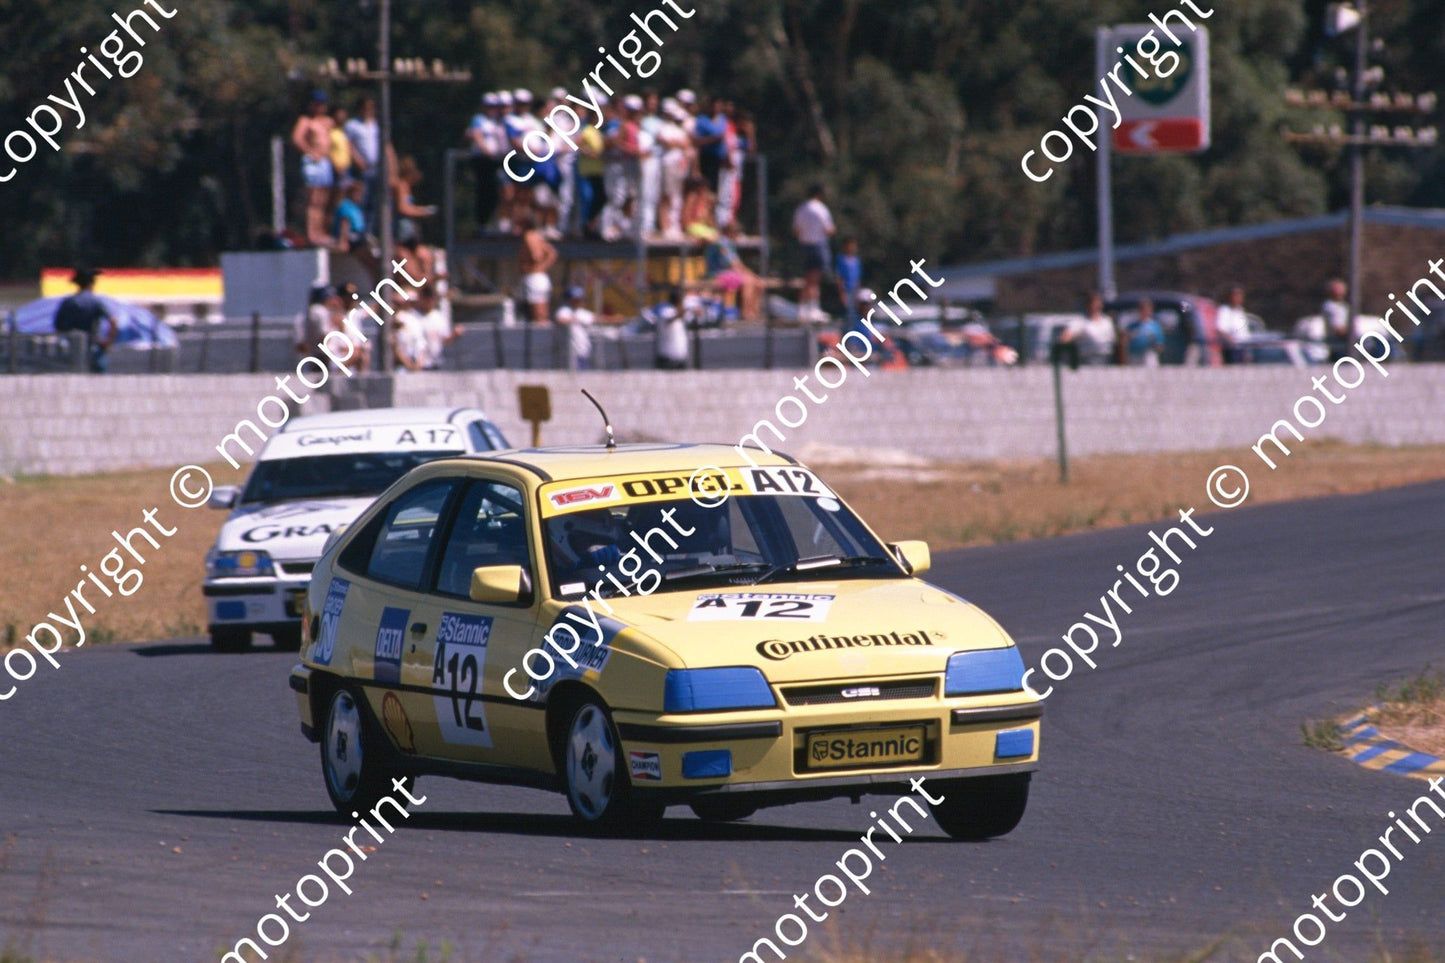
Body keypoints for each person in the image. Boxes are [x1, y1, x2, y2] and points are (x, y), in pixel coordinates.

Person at [291, 91, 335, 247]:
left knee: (323, 199)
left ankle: (320, 231)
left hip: (325, 162)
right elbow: (297, 138)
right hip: (313, 162)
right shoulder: (306, 121)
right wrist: (310, 152)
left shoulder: (327, 122)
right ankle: (311, 233)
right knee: (313, 199)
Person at [53, 267, 117, 373]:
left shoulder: (68, 302)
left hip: (72, 348)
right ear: (90, 284)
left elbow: (58, 325)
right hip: (93, 346)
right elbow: (114, 322)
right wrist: (108, 342)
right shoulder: (96, 301)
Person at [792, 184, 835, 323]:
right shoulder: (821, 209)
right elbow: (829, 229)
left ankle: (802, 309)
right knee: (815, 280)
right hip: (818, 245)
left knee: (807, 279)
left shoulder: (801, 209)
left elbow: (796, 231)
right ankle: (813, 309)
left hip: (804, 245)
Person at [704, 220, 763, 321]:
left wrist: (751, 275)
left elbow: (738, 265)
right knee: (748, 281)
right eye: (736, 232)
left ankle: (755, 311)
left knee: (758, 282)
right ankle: (746, 312)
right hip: (716, 274)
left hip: (728, 273)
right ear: (730, 232)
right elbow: (733, 264)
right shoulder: (722, 243)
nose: (738, 235)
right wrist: (749, 275)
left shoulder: (729, 243)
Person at [466, 92, 508, 232]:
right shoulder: (479, 119)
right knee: (484, 192)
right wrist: (486, 151)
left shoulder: (497, 122)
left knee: (496, 193)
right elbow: (477, 136)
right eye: (489, 106)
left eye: (494, 106)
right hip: (483, 160)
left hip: (495, 161)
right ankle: (482, 224)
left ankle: (496, 223)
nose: (492, 109)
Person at [556, 286, 614, 370]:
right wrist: (574, 320)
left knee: (584, 375)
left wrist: (613, 319)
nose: (579, 302)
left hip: (583, 351)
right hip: (570, 353)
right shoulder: (564, 310)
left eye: (580, 299)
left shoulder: (582, 312)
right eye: (576, 299)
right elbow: (560, 319)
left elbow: (597, 318)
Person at [344, 97, 380, 223]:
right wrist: (357, 160)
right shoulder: (352, 125)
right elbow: (348, 144)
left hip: (375, 168)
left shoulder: (375, 125)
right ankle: (357, 231)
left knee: (372, 202)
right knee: (360, 200)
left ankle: (368, 232)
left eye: (371, 107)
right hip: (360, 169)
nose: (369, 110)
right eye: (366, 107)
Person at [517, 213, 558, 325]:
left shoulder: (528, 235)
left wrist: (536, 265)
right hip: (541, 277)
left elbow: (536, 255)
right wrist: (542, 267)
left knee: (536, 317)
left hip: (533, 278)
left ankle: (538, 341)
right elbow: (552, 253)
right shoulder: (538, 236)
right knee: (543, 315)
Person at [1059, 291, 1116, 365]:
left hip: (1107, 359)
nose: (1094, 306)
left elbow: (1114, 340)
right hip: (1088, 360)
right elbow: (1066, 336)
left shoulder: (1107, 321)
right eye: (1092, 303)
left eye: (1096, 302)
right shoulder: (1081, 321)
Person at [654, 288, 693, 370]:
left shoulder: (677, 314)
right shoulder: (666, 311)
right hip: (668, 357)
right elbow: (669, 320)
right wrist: (680, 313)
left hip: (680, 357)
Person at [1215, 285, 1250, 364]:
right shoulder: (1225, 311)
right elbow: (1220, 329)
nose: (1238, 298)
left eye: (1240, 295)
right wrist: (1231, 340)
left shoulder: (1240, 311)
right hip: (1232, 349)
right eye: (1235, 295)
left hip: (1244, 347)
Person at [1125, 299, 1165, 367]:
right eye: (1142, 308)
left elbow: (1160, 347)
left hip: (1149, 356)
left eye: (1146, 309)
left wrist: (1153, 340)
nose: (1144, 311)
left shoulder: (1155, 326)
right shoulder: (1132, 326)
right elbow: (1124, 343)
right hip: (1134, 356)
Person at [332, 180, 368, 252]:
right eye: (357, 193)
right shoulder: (345, 205)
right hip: (350, 238)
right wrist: (343, 241)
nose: (359, 196)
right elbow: (345, 223)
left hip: (359, 236)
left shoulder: (356, 207)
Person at [1322, 277, 1351, 362]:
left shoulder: (1344, 306)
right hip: (1338, 344)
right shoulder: (1329, 306)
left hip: (1346, 342)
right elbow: (1338, 329)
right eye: (1337, 289)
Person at [834, 236, 862, 319]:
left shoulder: (856, 260)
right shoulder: (841, 259)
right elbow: (839, 277)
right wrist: (842, 293)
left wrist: (858, 292)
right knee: (847, 313)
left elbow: (858, 278)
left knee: (855, 313)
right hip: (846, 290)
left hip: (854, 291)